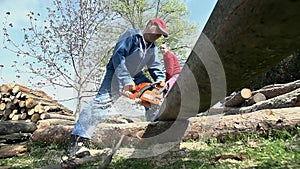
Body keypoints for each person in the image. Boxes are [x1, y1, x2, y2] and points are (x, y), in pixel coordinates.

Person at [64, 18, 168, 159]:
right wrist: (125, 78)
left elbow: (155, 65)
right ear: (150, 25)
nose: (159, 36)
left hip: (136, 75)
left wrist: (161, 80)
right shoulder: (131, 36)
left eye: (162, 34)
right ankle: (77, 142)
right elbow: (118, 57)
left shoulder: (153, 47)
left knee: (153, 96)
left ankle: (155, 134)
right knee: (101, 103)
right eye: (158, 32)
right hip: (116, 71)